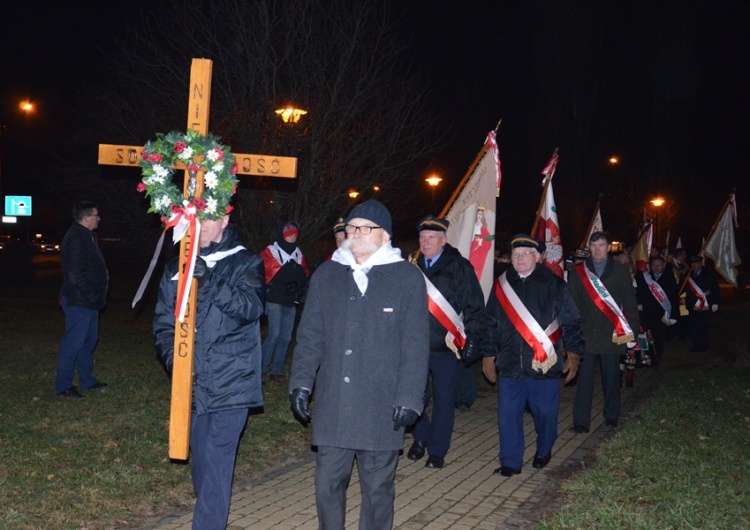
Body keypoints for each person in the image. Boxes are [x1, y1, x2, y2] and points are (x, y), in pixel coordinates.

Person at [288, 199, 429, 529]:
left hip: (381, 407)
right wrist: (301, 382)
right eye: (352, 228)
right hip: (335, 404)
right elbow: (310, 337)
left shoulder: (407, 278)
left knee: (378, 491)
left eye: (366, 228)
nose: (357, 234)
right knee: (327, 486)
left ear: (385, 236)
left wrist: (410, 397)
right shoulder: (327, 275)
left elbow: (415, 346)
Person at [153, 215, 265, 530]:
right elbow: (163, 320)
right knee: (202, 465)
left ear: (226, 219)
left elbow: (251, 308)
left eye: (209, 219)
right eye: (195, 220)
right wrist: (176, 361)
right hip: (195, 382)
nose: (200, 226)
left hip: (233, 381)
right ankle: (211, 519)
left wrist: (212, 279)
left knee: (217, 463)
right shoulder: (177, 266)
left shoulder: (246, 262)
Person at [481, 234, 583, 477]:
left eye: (526, 254)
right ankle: (510, 462)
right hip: (509, 363)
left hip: (543, 365)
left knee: (545, 415)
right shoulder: (502, 284)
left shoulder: (555, 284)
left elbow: (572, 322)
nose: (520, 258)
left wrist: (575, 354)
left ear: (538, 257)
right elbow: (490, 323)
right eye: (516, 254)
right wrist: (488, 356)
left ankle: (544, 449)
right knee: (508, 416)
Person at [408, 215, 485, 469]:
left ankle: (437, 450)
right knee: (413, 397)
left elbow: (474, 305)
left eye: (431, 238)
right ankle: (421, 438)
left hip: (446, 347)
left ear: (443, 240)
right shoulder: (412, 266)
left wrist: (473, 338)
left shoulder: (459, 267)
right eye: (422, 238)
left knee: (444, 400)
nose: (425, 242)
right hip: (415, 346)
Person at [567, 231, 640, 432]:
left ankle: (611, 416)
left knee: (612, 380)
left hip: (613, 335)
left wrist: (631, 334)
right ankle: (581, 422)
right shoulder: (578, 272)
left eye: (601, 245)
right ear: (589, 248)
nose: (597, 249)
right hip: (586, 335)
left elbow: (630, 305)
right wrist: (572, 335)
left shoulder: (620, 272)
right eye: (594, 245)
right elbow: (572, 306)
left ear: (609, 248)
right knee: (584, 382)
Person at [56, 200, 109, 399]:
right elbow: (75, 274)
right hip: (79, 301)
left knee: (88, 341)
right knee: (73, 343)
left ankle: (87, 381)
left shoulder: (87, 236)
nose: (99, 218)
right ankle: (63, 387)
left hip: (88, 301)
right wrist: (92, 295)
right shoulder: (77, 238)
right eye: (96, 215)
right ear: (86, 217)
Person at [260, 220, 309, 383]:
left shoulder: (298, 253)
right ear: (282, 235)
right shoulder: (271, 251)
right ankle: (262, 369)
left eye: (294, 233)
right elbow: (263, 273)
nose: (292, 236)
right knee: (274, 334)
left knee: (286, 337)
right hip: (274, 299)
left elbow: (304, 275)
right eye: (288, 233)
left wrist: (298, 286)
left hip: (290, 301)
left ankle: (277, 370)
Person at [635, 255, 679, 366]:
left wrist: (674, 315)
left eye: (659, 265)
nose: (656, 268)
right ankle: (644, 360)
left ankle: (655, 360)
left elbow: (674, 297)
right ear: (649, 266)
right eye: (654, 265)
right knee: (643, 337)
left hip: (660, 315)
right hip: (645, 313)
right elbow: (637, 293)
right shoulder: (642, 277)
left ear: (664, 265)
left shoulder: (669, 278)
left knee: (658, 338)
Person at [684, 256, 719, 352]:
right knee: (693, 326)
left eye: (696, 263)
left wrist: (715, 302)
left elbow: (714, 288)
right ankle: (695, 345)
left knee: (702, 325)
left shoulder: (708, 274)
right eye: (692, 263)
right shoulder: (688, 274)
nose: (694, 265)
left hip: (704, 304)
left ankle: (704, 345)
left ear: (701, 263)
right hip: (691, 304)